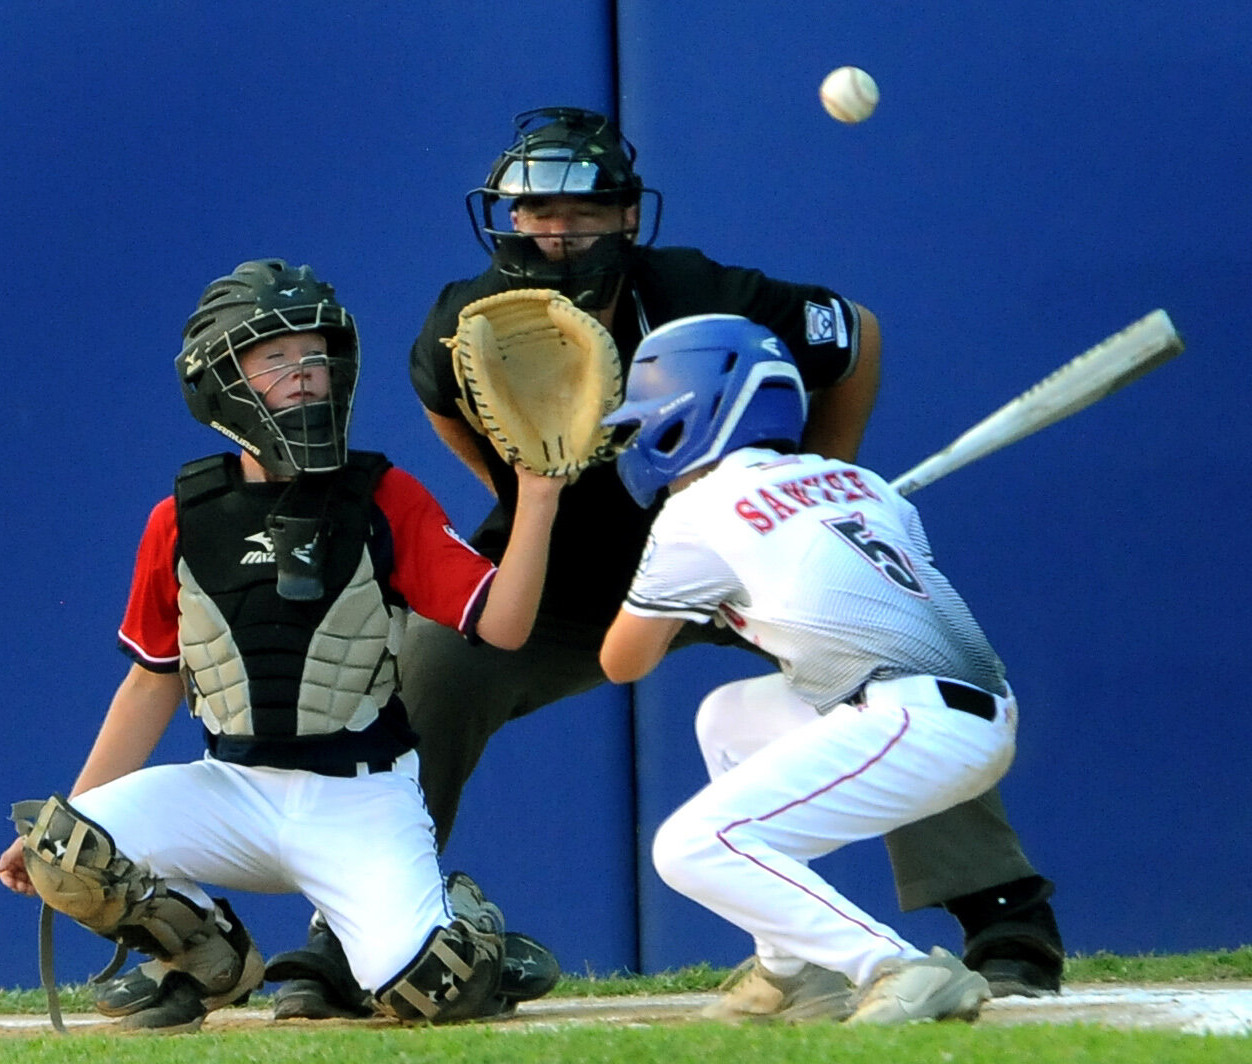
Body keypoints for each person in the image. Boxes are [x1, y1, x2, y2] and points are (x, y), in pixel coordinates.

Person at [271, 105, 1063, 1019]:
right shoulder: (464, 321)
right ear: (506, 220)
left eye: (584, 210)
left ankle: (1003, 918)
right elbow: (440, 402)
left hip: (736, 558)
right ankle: (361, 930)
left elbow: (856, 334)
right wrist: (519, 489)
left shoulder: (700, 291)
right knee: (424, 672)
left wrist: (821, 477)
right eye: (535, 213)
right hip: (570, 575)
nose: (557, 231)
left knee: (891, 653)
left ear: (626, 216)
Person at [0, 259, 565, 1033]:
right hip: (230, 790)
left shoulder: (382, 496)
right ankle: (208, 961)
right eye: (274, 360)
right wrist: (68, 818)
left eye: (316, 357)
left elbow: (503, 626)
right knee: (64, 843)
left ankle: (463, 918)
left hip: (359, 798)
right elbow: (150, 684)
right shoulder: (181, 517)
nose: (303, 376)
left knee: (430, 988)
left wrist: (537, 495)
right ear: (222, 379)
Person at [599, 313, 1019, 1024]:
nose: (641, 442)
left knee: (691, 846)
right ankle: (788, 971)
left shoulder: (695, 513)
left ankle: (890, 964)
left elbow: (622, 660)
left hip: (914, 721)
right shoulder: (862, 484)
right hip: (975, 712)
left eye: (649, 423)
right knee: (730, 718)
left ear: (693, 416)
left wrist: (719, 599)